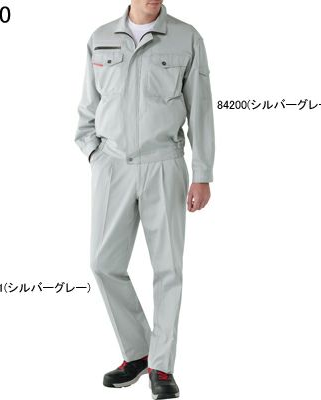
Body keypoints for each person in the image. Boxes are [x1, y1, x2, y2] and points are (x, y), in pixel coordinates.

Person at [75, 1, 215, 398]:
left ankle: (162, 367)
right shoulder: (100, 38)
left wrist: (202, 174)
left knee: (168, 269)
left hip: (164, 165)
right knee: (103, 263)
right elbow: (88, 107)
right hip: (112, 166)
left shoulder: (187, 38)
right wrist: (94, 153)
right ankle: (138, 352)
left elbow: (201, 109)